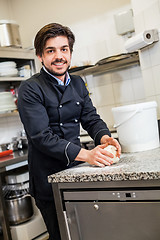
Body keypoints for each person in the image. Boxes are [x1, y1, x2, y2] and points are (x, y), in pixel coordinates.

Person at [18, 23, 121, 240]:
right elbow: (41, 137)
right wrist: (89, 155)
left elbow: (90, 118)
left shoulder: (77, 82)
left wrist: (104, 137)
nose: (59, 56)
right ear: (40, 56)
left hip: (75, 174)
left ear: (70, 53)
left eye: (64, 49)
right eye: (51, 50)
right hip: (48, 180)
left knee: (85, 233)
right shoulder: (30, 88)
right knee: (62, 236)